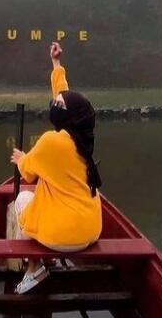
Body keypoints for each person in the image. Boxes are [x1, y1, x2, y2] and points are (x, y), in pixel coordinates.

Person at [9, 41, 102, 294]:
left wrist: (21, 159)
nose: (55, 105)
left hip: (63, 236)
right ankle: (37, 264)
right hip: (91, 230)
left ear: (68, 115)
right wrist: (56, 63)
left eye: (58, 105)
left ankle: (34, 267)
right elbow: (66, 97)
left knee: (23, 199)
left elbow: (28, 172)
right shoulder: (83, 138)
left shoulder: (51, 142)